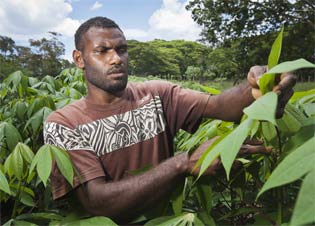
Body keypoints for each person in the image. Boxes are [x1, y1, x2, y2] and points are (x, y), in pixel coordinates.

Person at [43, 17, 296, 223]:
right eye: (102, 51)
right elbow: (97, 203)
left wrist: (258, 88)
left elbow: (219, 105)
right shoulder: (63, 123)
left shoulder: (156, 95)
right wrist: (182, 164)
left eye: (121, 49)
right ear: (79, 59)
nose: (116, 58)